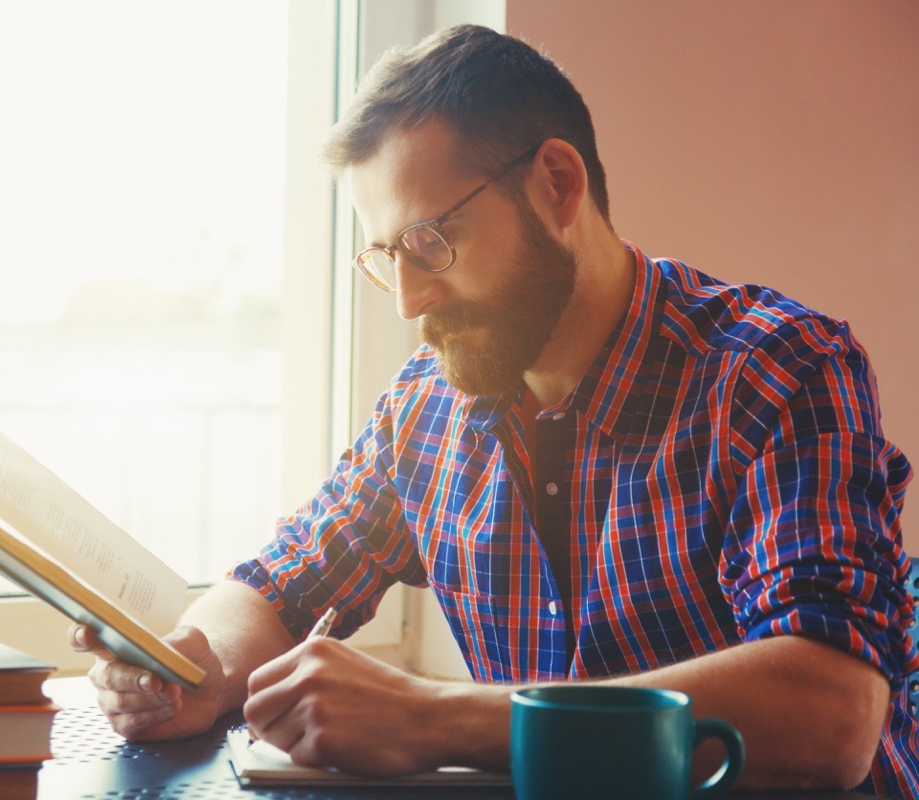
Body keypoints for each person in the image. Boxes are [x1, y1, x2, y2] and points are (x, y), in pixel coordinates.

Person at [71, 24, 919, 796]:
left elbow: (834, 712)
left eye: (431, 243)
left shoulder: (778, 370)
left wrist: (433, 717)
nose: (406, 300)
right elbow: (277, 586)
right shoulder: (427, 407)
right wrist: (196, 666)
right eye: (386, 257)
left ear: (556, 183)